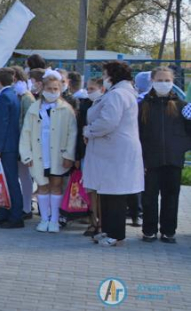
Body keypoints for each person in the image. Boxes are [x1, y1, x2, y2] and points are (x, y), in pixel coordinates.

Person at [83, 61, 143, 247]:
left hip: (115, 151)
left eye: (105, 73)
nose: (103, 77)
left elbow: (108, 122)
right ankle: (108, 230)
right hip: (111, 151)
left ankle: (117, 235)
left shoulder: (118, 95)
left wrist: (88, 131)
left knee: (115, 194)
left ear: (112, 75)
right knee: (107, 193)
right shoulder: (119, 92)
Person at [19, 72, 77, 233]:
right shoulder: (33, 108)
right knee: (42, 185)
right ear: (42, 88)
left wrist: (68, 155)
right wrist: (26, 154)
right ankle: (44, 218)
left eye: (55, 89)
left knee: (56, 185)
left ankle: (55, 219)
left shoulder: (66, 109)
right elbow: (26, 133)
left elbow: (72, 133)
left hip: (58, 154)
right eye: (49, 88)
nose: (52, 91)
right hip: (39, 152)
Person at [138, 67, 191, 244]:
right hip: (150, 159)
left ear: (173, 81)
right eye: (160, 80)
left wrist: (180, 148)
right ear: (152, 81)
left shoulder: (182, 106)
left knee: (171, 196)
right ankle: (149, 230)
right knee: (149, 197)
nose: (163, 84)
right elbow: (138, 132)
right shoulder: (143, 105)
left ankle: (169, 231)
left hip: (173, 160)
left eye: (167, 80)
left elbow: (188, 132)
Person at [0, 68, 23, 229]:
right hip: (9, 145)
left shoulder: (5, 98)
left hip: (6, 147)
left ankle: (15, 216)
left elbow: (2, 125)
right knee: (5, 181)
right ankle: (3, 213)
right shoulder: (11, 95)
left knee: (10, 181)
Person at [75, 77, 104, 237]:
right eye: (88, 88)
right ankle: (93, 221)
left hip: (102, 152)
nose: (89, 91)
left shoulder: (105, 104)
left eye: (93, 89)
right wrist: (77, 156)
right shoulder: (84, 105)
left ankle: (102, 222)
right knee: (90, 189)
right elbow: (79, 131)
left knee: (102, 190)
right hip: (86, 152)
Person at [12, 66, 36, 219]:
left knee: (25, 176)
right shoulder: (18, 96)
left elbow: (28, 122)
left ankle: (27, 207)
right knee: (21, 175)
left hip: (23, 141)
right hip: (16, 141)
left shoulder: (26, 97)